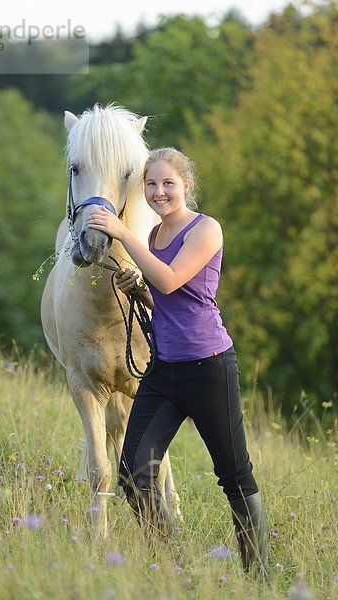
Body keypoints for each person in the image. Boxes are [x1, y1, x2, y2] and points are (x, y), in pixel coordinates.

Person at [86, 147, 268, 579]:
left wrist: (122, 234)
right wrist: (136, 289)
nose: (159, 192)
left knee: (234, 474)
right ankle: (177, 567)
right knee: (133, 474)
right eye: (151, 184)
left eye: (168, 183)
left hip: (208, 367)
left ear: (186, 186)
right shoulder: (154, 238)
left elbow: (170, 279)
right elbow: (165, 299)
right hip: (164, 370)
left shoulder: (206, 230)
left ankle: (259, 575)